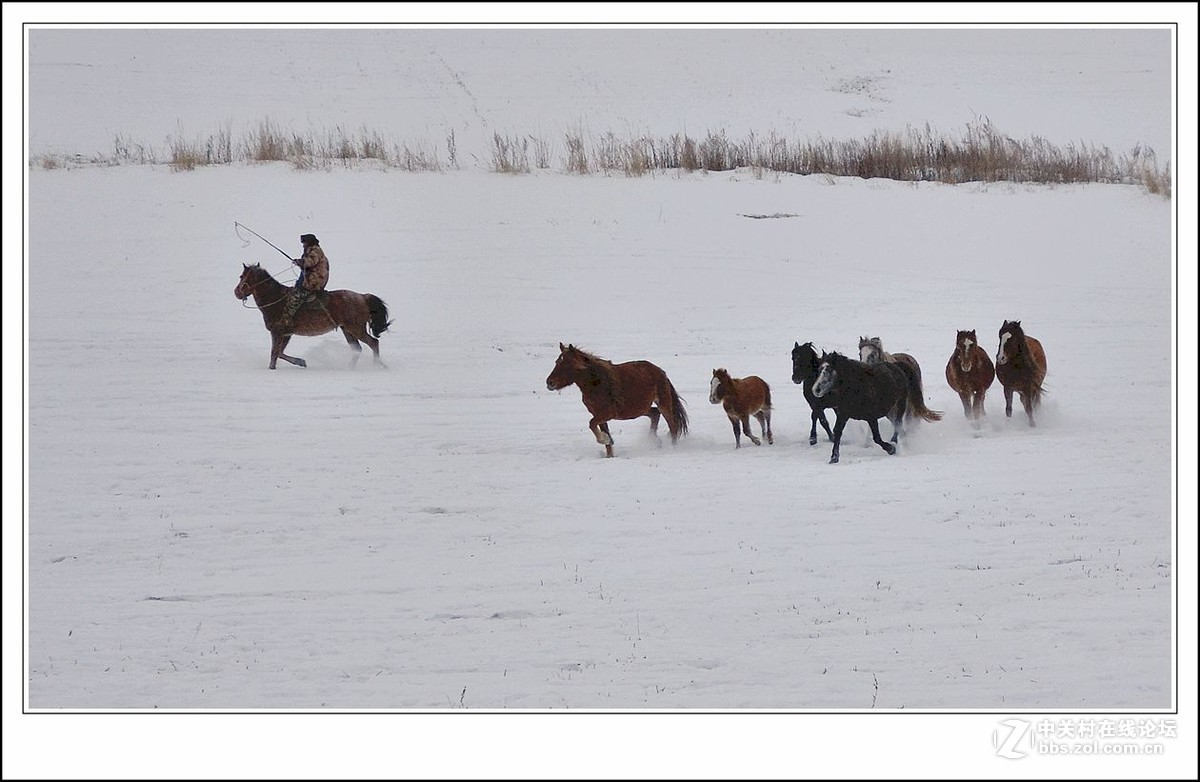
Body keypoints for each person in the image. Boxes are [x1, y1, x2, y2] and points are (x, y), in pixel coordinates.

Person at [278, 233, 330, 330]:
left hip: (316, 280)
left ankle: (286, 322)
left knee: (295, 297)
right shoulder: (310, 250)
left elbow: (310, 261)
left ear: (309, 242)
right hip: (311, 278)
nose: (303, 245)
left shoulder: (316, 251)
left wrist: (301, 262)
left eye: (304, 243)